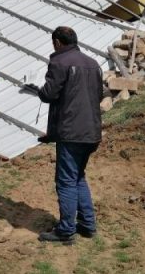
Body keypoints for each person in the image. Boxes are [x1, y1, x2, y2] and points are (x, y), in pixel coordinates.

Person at [25, 26, 103, 245]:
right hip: (92, 131)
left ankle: (66, 231)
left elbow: (49, 94)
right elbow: (98, 95)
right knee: (78, 176)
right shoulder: (93, 64)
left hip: (72, 132)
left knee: (66, 181)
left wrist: (36, 89)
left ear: (57, 42)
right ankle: (87, 225)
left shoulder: (60, 62)